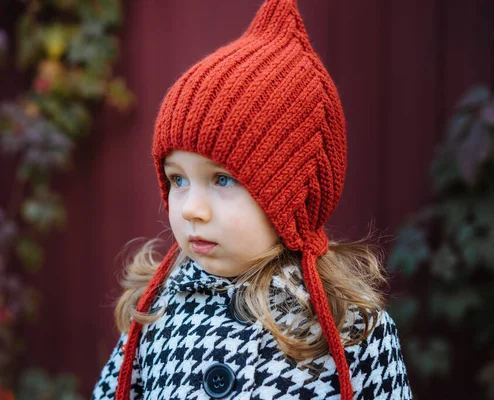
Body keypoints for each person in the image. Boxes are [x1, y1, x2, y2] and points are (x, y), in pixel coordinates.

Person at [92, 0, 412, 398]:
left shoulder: (349, 328)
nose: (191, 208)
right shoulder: (156, 311)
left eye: (223, 180)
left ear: (291, 194)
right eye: (177, 179)